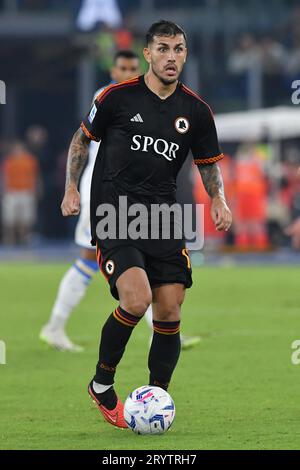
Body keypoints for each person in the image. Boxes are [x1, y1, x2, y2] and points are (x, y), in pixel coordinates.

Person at [61, 20, 232, 428]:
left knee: (169, 309)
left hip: (164, 218)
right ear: (148, 54)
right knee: (136, 299)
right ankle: (102, 383)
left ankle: (156, 396)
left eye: (179, 49)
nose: (172, 57)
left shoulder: (196, 111)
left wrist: (219, 200)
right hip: (115, 213)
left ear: (185, 55)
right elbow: (81, 139)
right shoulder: (116, 98)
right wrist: (71, 188)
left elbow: (208, 165)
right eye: (164, 48)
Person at [40, 49, 201, 352]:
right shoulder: (110, 96)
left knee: (146, 259)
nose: (127, 73)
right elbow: (84, 139)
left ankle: (161, 330)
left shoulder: (142, 96)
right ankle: (55, 325)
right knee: (89, 259)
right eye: (122, 68)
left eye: (132, 68)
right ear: (113, 72)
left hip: (130, 193)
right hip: (101, 192)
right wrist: (71, 187)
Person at [1, 141, 40, 245]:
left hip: (27, 192)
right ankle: (10, 240)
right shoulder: (8, 161)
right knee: (10, 219)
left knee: (26, 219)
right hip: (11, 192)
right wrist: (3, 191)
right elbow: (4, 176)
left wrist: (37, 190)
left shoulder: (30, 160)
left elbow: (36, 176)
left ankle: (24, 240)